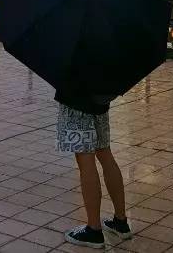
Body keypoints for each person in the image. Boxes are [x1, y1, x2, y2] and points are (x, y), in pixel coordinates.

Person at [56, 90, 131, 248]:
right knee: (105, 154)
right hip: (100, 100)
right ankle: (121, 221)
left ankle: (93, 229)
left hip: (76, 100)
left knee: (85, 160)